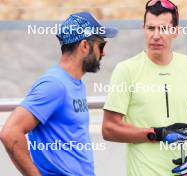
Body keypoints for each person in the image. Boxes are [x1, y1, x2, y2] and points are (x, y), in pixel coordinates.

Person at [102, 0, 187, 176]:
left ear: (175, 31)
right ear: (143, 29)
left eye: (163, 29)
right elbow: (109, 129)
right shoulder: (126, 70)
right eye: (151, 28)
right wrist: (157, 134)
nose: (156, 35)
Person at [0, 12, 117, 176]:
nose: (103, 53)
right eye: (101, 45)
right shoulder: (54, 85)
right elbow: (10, 133)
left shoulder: (73, 83)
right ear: (84, 46)